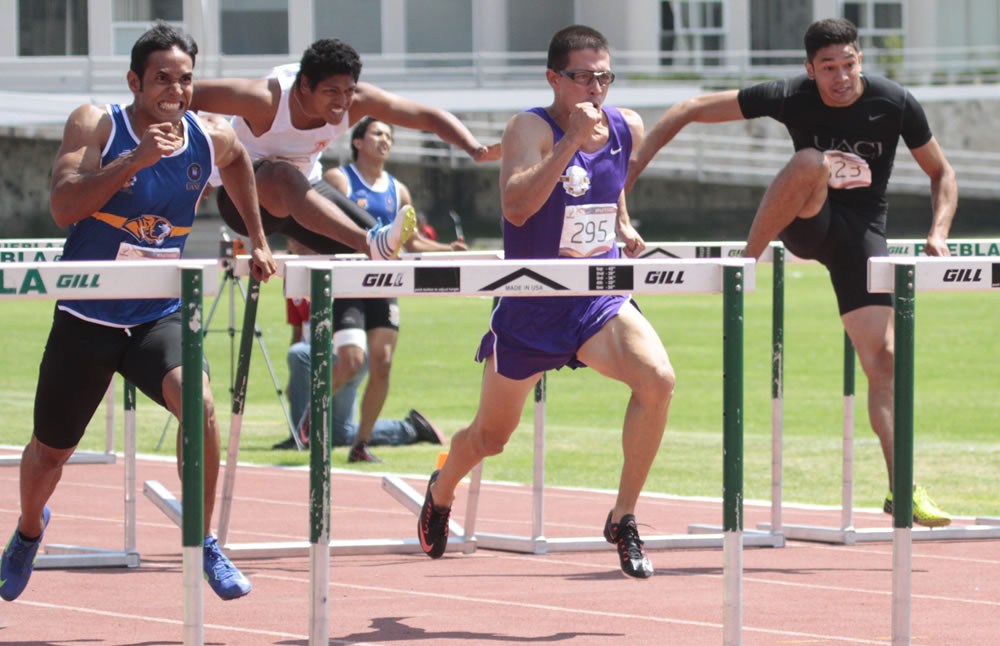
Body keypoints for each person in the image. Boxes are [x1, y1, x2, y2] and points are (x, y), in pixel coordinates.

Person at [626, 18, 957, 527]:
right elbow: (688, 110)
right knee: (809, 161)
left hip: (861, 233)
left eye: (849, 64)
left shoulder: (894, 102)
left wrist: (938, 232)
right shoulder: (789, 95)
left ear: (860, 60)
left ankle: (901, 488)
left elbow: (942, 172)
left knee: (885, 359)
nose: (841, 77)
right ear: (810, 69)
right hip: (808, 220)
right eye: (829, 68)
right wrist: (624, 179)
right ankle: (746, 260)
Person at [0, 22, 276, 604]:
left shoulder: (211, 135)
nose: (175, 91)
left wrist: (257, 236)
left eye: (185, 80)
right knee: (50, 453)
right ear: (134, 81)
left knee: (199, 406)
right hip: (88, 316)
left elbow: (240, 166)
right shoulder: (96, 123)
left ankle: (203, 541)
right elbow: (62, 207)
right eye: (162, 80)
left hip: (158, 316)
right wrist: (134, 161)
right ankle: (28, 531)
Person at [417, 25, 675, 579]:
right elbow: (516, 209)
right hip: (531, 304)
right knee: (490, 437)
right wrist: (568, 143)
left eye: (604, 75)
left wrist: (625, 226)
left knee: (658, 379)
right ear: (555, 78)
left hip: (594, 300)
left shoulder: (625, 125)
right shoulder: (528, 127)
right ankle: (441, 489)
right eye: (583, 77)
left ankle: (623, 517)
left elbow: (608, 188)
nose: (595, 88)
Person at [188, 37, 499, 259]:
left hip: (305, 197)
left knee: (386, 251)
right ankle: (368, 242)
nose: (341, 103)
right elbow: (189, 94)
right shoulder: (265, 99)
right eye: (331, 92)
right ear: (304, 85)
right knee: (282, 174)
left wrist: (474, 148)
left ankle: (347, 328)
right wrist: (195, 164)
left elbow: (426, 116)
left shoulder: (356, 102)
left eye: (348, 91)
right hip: (245, 201)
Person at [323, 117, 468, 462]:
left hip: (385, 283)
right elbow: (325, 224)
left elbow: (412, 241)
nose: (384, 140)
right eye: (377, 133)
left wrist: (448, 250)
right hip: (348, 281)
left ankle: (360, 445)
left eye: (389, 135)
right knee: (350, 362)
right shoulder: (339, 179)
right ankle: (310, 416)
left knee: (382, 364)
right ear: (358, 142)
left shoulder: (398, 190)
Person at [278, 241, 446, 453]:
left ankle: (315, 432)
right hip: (326, 352)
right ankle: (410, 429)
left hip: (346, 342)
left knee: (302, 355)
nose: (298, 243)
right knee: (339, 433)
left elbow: (411, 239)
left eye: (302, 239)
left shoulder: (334, 255)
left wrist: (447, 249)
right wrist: (292, 381)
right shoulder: (295, 279)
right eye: (292, 239)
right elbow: (297, 332)